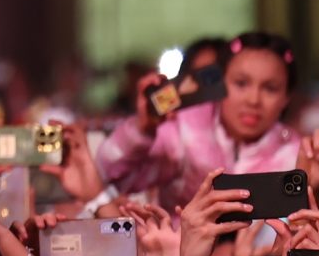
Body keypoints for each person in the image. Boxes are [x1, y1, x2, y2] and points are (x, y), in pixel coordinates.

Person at [98, 31, 304, 208]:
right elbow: (110, 174)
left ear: (286, 97)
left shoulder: (297, 156)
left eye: (270, 88)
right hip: (176, 253)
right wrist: (142, 129)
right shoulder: (185, 131)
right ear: (219, 83)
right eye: (241, 83)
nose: (253, 100)